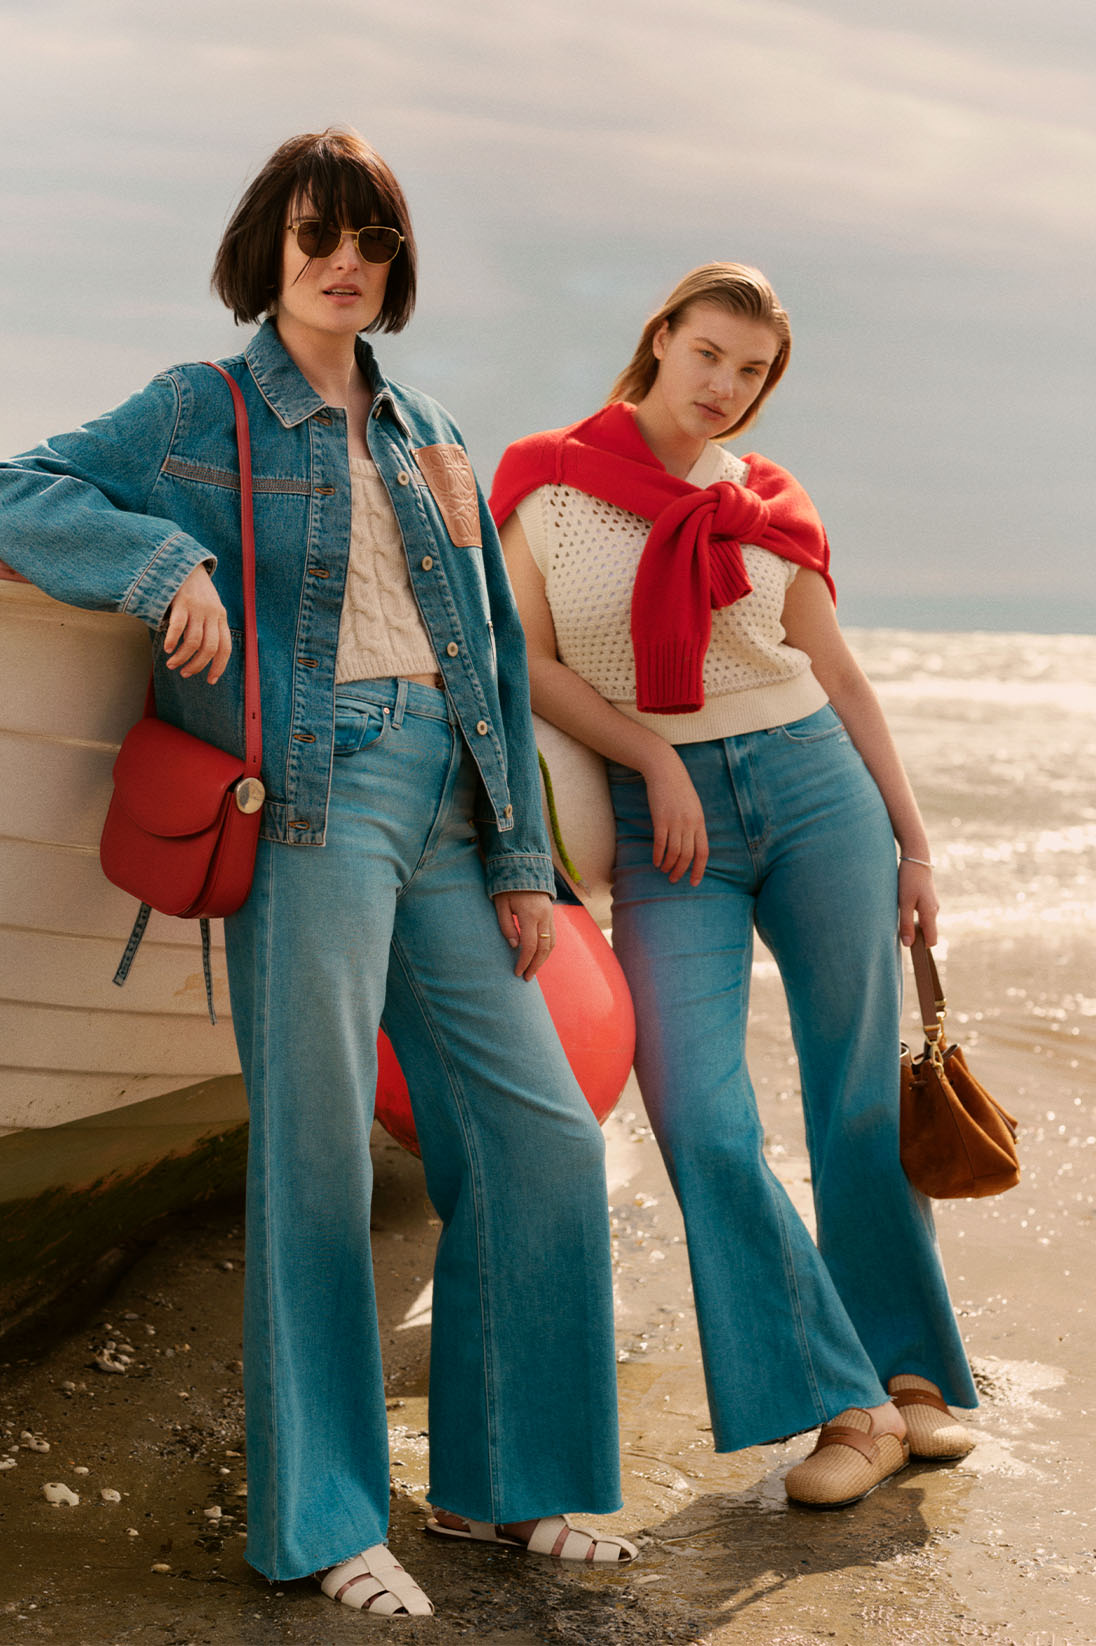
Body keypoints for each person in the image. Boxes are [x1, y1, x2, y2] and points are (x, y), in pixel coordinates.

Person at [0, 129, 636, 1613]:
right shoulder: (198, 409)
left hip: (449, 807)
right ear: (269, 254)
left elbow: (480, 643)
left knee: (542, 1134)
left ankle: (505, 1490)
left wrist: (522, 851)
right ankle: (327, 1520)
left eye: (370, 242)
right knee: (316, 1155)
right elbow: (20, 487)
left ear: (394, 266)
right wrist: (169, 569)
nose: (345, 262)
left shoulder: (430, 431)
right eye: (317, 238)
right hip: (313, 796)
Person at [491, 262, 978, 1510]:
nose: (725, 385)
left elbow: (842, 675)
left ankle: (912, 1375)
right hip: (669, 820)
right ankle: (839, 1400)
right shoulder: (546, 483)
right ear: (659, 338)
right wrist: (651, 751)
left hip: (818, 787)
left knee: (858, 1094)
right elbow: (522, 660)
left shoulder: (766, 500)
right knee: (699, 1117)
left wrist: (913, 844)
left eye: (751, 369)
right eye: (707, 352)